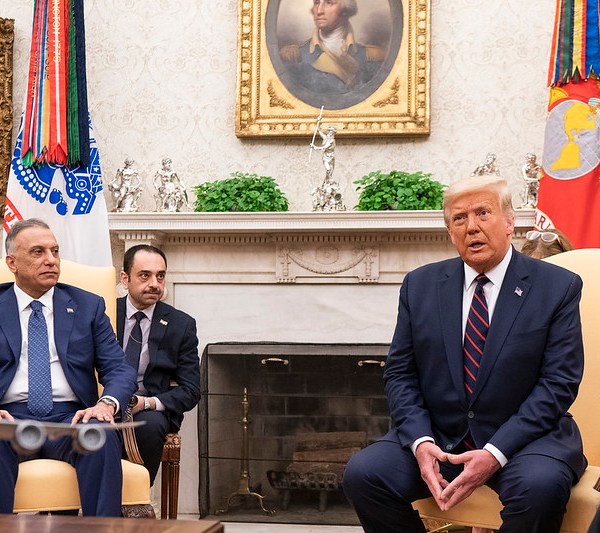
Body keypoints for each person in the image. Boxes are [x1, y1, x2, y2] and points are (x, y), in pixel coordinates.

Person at [342, 174, 586, 533]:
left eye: (483, 213)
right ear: (450, 231)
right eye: (459, 218)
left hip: (524, 441)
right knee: (364, 474)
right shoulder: (419, 285)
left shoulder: (557, 286)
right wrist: (421, 442)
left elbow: (559, 383)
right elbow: (400, 374)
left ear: (509, 222)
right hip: (440, 437)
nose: (471, 227)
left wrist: (495, 453)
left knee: (541, 487)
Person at [0, 218, 137, 516]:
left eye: (55, 251)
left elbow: (119, 368)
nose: (51, 260)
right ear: (12, 263)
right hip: (8, 418)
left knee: (100, 433)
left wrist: (106, 404)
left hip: (71, 418)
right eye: (38, 252)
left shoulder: (87, 306)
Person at [117, 244, 200, 485]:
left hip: (149, 409)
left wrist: (148, 403)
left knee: (149, 425)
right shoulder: (104, 312)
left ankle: (136, 498)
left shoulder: (181, 325)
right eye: (145, 275)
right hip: (103, 403)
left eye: (160, 276)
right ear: (125, 279)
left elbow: (191, 390)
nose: (155, 284)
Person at [280, 0, 385, 94]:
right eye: (317, 2)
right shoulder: (296, 57)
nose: (319, 11)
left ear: (345, 9)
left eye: (329, 2)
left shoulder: (371, 57)